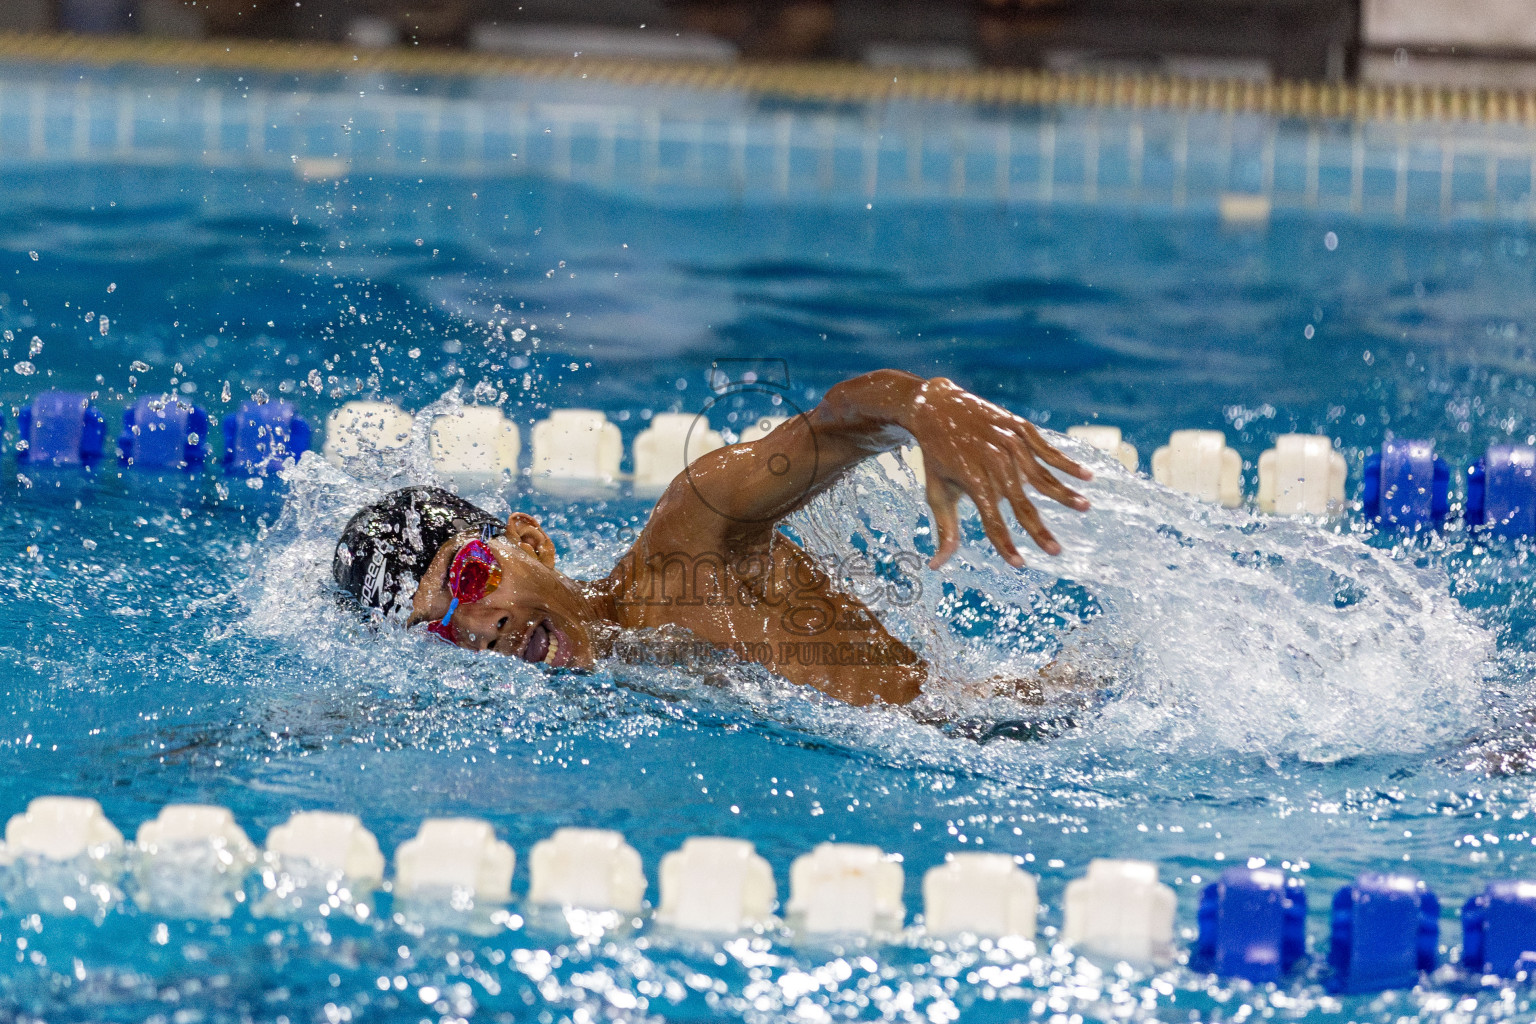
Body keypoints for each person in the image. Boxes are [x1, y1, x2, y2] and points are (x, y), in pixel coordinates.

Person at [332, 369, 1092, 707]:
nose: (475, 628)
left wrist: (927, 407)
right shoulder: (586, 694)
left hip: (1030, 725)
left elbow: (838, 421)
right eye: (436, 628)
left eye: (467, 580)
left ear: (531, 542)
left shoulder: (691, 543)